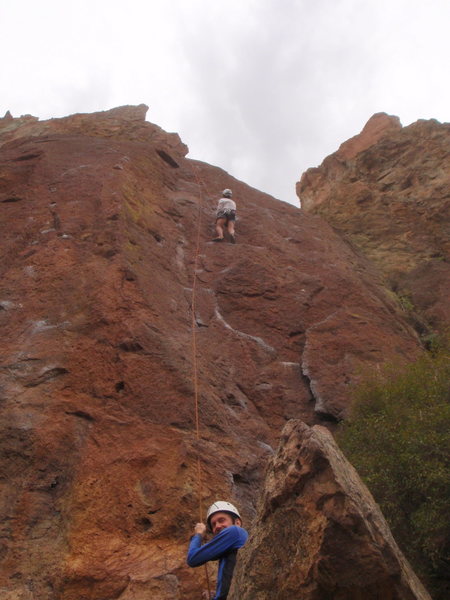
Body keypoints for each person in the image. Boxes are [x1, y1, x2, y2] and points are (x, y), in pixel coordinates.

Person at [187, 500, 248, 600]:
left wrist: (198, 534)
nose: (217, 526)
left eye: (222, 520)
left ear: (237, 522)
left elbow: (193, 558)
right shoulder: (228, 549)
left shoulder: (235, 531)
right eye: (214, 524)